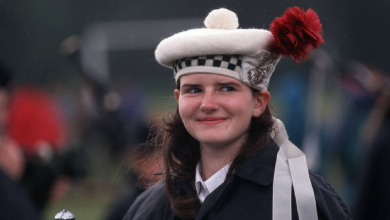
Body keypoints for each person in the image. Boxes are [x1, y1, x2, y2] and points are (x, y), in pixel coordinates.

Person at [124, 7, 352, 220]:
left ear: (259, 102)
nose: (208, 103)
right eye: (194, 90)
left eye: (226, 88)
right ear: (178, 100)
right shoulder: (150, 208)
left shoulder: (304, 202)